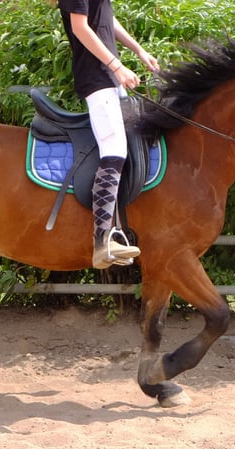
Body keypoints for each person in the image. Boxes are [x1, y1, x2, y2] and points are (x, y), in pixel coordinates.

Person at [57, 0, 160, 269]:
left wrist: (139, 50)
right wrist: (117, 66)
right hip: (97, 77)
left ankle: (121, 229)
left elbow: (104, 19)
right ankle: (102, 239)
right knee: (114, 149)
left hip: (109, 77)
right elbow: (80, 27)